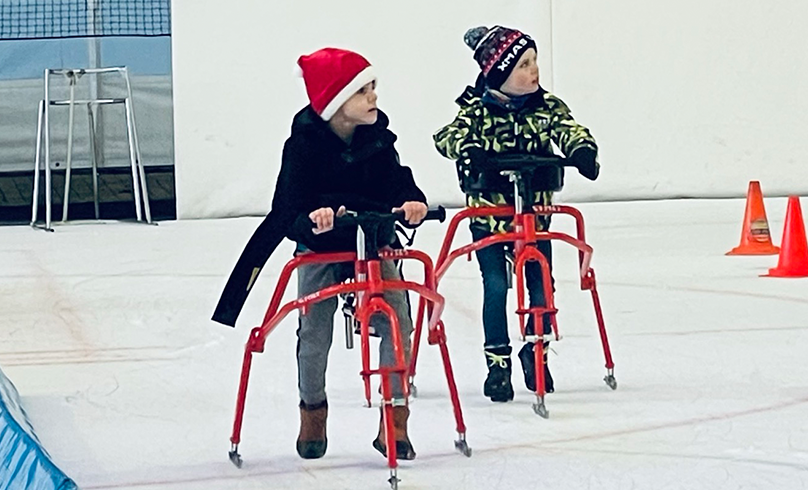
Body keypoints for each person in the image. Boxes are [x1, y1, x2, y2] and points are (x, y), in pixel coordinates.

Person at [212, 47, 430, 460]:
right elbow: (287, 207)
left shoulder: (379, 139)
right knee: (314, 330)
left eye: (373, 87)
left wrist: (411, 200)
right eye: (362, 90)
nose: (373, 97)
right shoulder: (302, 146)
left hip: (373, 238)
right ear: (335, 101)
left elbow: (397, 180)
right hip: (322, 245)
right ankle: (313, 410)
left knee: (399, 320)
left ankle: (394, 418)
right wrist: (313, 218)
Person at [434, 25, 600, 403]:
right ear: (500, 74)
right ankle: (498, 364)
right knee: (496, 286)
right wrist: (469, 149)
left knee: (541, 285)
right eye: (523, 65)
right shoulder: (476, 111)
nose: (534, 70)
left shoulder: (547, 107)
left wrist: (581, 150)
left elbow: (570, 129)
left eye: (534, 61)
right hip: (490, 219)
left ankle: (537, 352)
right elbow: (446, 136)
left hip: (534, 218)